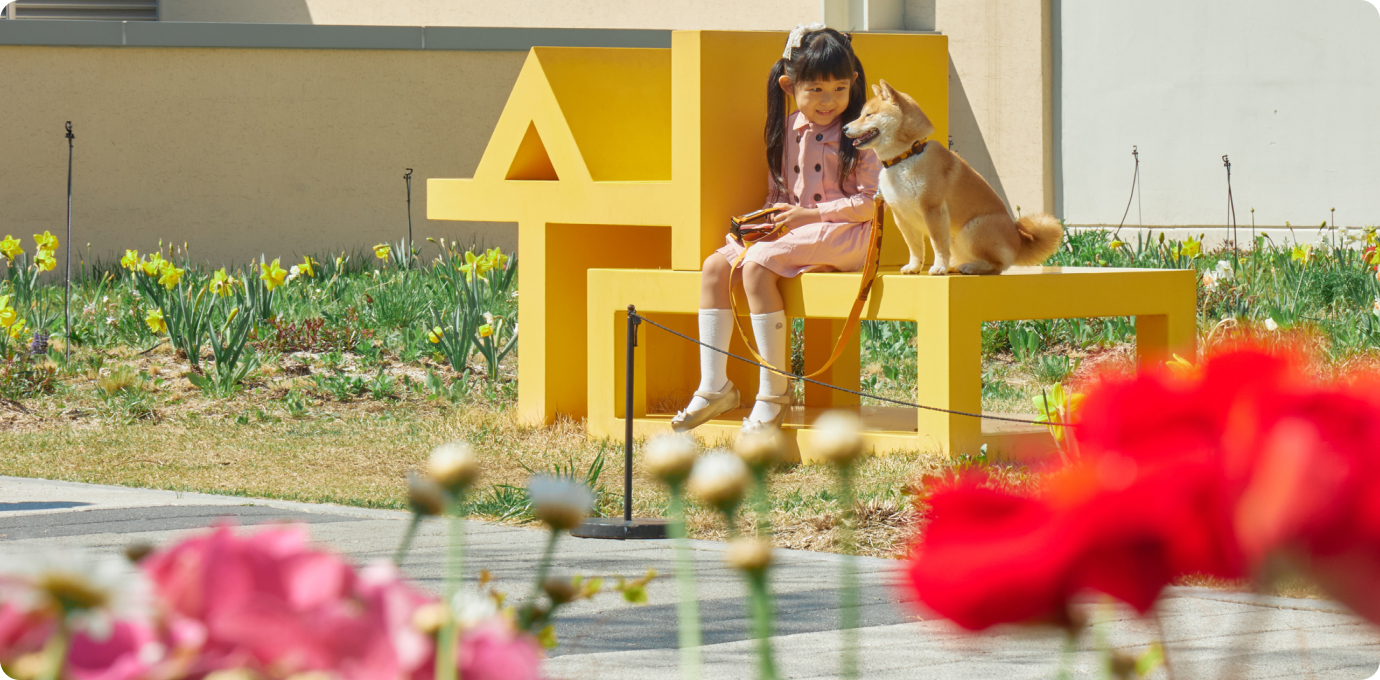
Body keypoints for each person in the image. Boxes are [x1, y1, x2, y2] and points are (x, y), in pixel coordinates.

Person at [673, 23, 880, 434]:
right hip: (797, 232)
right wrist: (759, 225)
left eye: (839, 89)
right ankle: (715, 386)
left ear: (853, 83)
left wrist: (810, 217)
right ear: (789, 85)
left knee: (757, 266)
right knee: (715, 266)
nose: (829, 100)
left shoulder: (861, 135)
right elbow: (778, 196)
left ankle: (774, 391)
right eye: (816, 89)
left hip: (847, 234)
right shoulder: (786, 133)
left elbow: (872, 204)